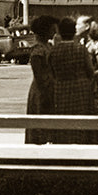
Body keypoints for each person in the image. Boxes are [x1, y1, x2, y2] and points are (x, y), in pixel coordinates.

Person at [41, 17, 98, 144]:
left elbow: (51, 74)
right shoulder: (81, 49)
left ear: (60, 32)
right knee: (81, 124)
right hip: (81, 90)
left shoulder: (53, 51)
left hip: (60, 91)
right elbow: (90, 72)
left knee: (64, 124)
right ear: (73, 31)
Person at [24, 15, 58, 144]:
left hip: (50, 88)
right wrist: (46, 90)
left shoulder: (48, 46)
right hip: (41, 90)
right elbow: (38, 73)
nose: (55, 32)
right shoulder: (38, 49)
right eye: (52, 29)